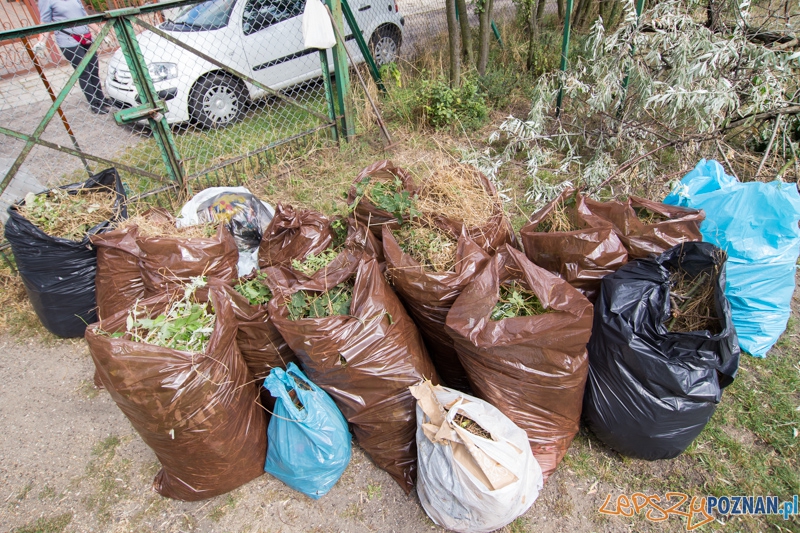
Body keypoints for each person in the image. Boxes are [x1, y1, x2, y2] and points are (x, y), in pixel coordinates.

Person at [34, 0, 112, 114]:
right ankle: (94, 103)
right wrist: (42, 42)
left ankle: (101, 98)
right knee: (84, 72)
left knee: (94, 69)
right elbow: (45, 23)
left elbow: (84, 16)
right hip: (68, 40)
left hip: (86, 37)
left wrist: (100, 32)